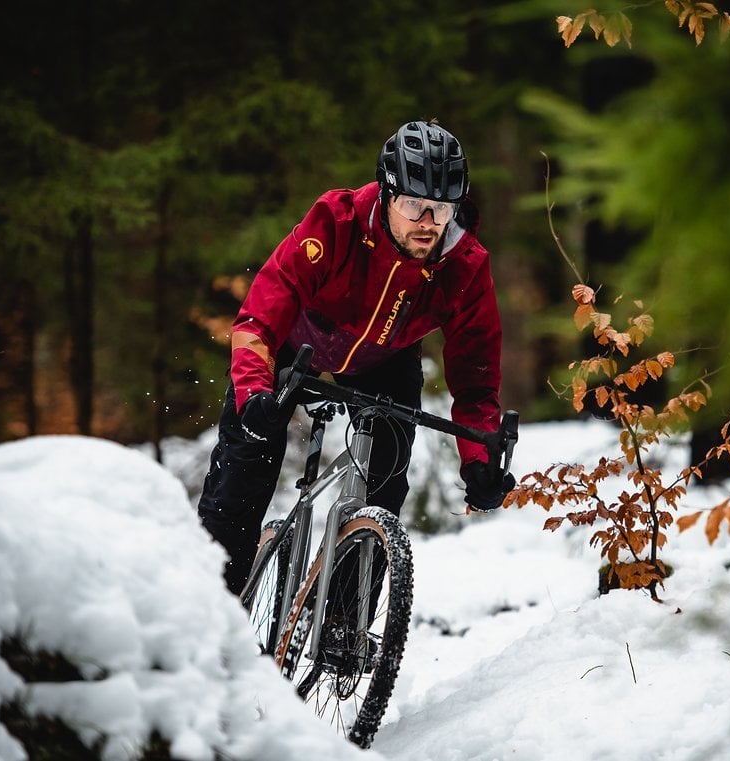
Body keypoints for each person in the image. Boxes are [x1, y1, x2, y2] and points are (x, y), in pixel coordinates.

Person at [197, 120, 513, 595]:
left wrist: (478, 458)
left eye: (441, 209)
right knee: (244, 471)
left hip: (384, 360)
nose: (427, 222)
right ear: (387, 195)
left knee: (387, 479)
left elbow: (476, 375)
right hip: (293, 345)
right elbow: (261, 316)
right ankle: (211, 613)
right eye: (413, 205)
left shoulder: (465, 264)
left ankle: (345, 622)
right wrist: (254, 390)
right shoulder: (335, 221)